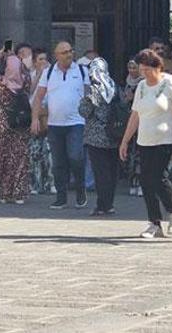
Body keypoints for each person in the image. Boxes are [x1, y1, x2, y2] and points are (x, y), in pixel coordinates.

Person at [119, 49, 172, 239]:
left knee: (159, 177)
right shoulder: (141, 86)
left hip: (166, 140)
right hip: (145, 140)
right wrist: (125, 141)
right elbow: (136, 115)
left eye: (148, 70)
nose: (144, 74)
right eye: (142, 70)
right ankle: (154, 222)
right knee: (146, 180)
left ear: (158, 68)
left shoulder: (170, 83)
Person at [31, 41, 90, 209]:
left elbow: (88, 95)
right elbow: (38, 97)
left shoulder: (81, 71)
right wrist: (35, 118)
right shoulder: (49, 73)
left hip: (76, 122)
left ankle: (80, 189)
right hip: (54, 124)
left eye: (71, 51)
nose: (69, 54)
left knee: (75, 157)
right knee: (57, 162)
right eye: (64, 52)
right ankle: (61, 197)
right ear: (56, 55)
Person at [0, 49, 31, 203]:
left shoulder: (1, 83)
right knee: (19, 158)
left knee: (3, 156)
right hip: (21, 123)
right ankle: (17, 193)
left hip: (4, 124)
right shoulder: (26, 81)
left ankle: (3, 193)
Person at [78, 57, 120, 216]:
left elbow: (84, 111)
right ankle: (109, 203)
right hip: (114, 134)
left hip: (96, 137)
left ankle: (102, 205)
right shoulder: (114, 86)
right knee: (111, 172)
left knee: (100, 173)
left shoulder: (94, 90)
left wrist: (84, 100)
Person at [28, 48, 54, 195]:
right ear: (34, 62)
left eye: (45, 59)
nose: (43, 62)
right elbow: (30, 92)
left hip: (49, 116)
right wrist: (39, 75)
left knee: (50, 152)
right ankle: (35, 184)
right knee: (35, 153)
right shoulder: (30, 76)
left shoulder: (53, 76)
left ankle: (51, 182)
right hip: (34, 116)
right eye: (40, 60)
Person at [120, 59, 143, 197]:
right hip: (128, 122)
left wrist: (133, 97)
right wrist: (127, 99)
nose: (132, 70)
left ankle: (141, 183)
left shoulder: (143, 83)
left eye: (135, 67)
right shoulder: (126, 83)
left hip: (141, 124)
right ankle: (133, 182)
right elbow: (122, 101)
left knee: (140, 155)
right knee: (130, 155)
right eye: (130, 67)